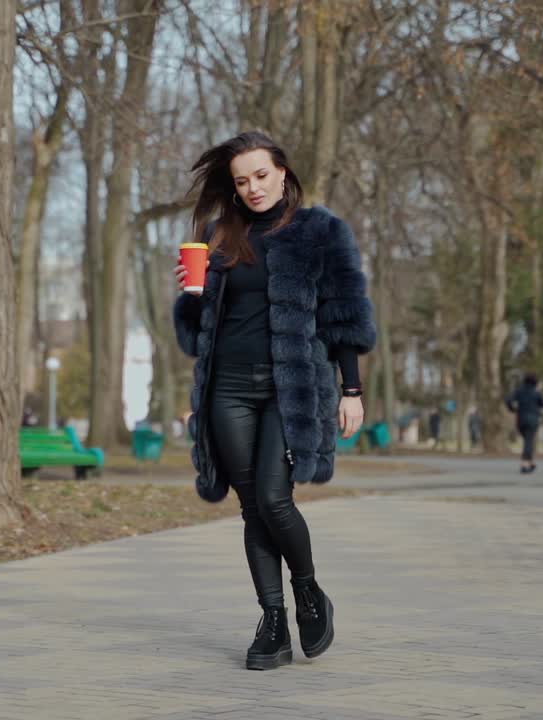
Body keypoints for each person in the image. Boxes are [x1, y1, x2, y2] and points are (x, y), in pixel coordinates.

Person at [172, 131, 375, 671]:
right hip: (227, 387)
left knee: (273, 497)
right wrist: (190, 295)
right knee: (251, 509)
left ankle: (308, 592)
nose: (253, 188)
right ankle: (273, 622)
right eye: (242, 181)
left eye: (261, 175)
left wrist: (351, 390)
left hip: (293, 386)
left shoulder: (319, 231)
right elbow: (195, 334)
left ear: (282, 172)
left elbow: (342, 315)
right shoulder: (219, 236)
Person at [506, 373, 543, 474]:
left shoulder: (519, 391)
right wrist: (539, 391)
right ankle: (524, 464)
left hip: (521, 420)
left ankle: (531, 462)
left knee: (528, 441)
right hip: (532, 420)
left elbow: (508, 400)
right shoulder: (536, 392)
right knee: (529, 441)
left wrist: (512, 409)